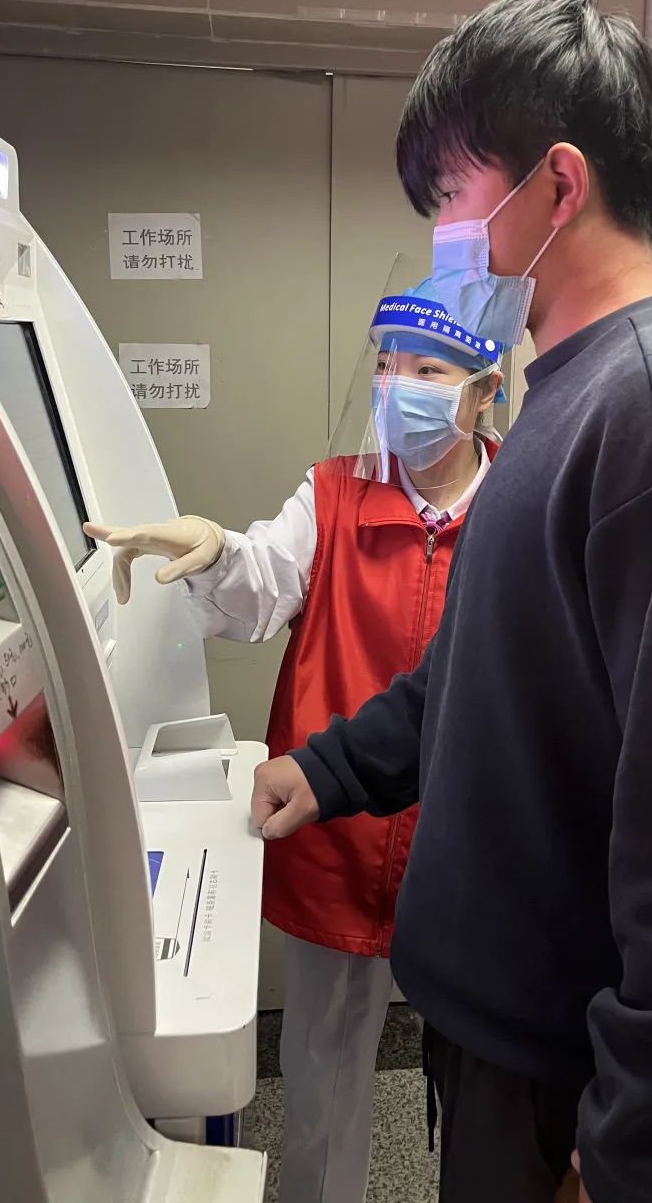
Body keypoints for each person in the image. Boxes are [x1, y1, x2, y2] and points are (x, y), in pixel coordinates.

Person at [250, 0, 652, 1203]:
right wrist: (331, 771)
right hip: (498, 1044)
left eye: (452, 200)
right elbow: (484, 667)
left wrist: (644, 1144)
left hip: (576, 1092)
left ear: (560, 185)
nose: (443, 242)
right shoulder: (562, 397)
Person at [85, 281, 504, 1203]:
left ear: (484, 392)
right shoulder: (335, 495)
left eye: (428, 371)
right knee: (324, 1073)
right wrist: (214, 548)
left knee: (488, 1081)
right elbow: (261, 582)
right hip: (336, 825)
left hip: (473, 848)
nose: (397, 387)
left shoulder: (524, 499)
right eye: (386, 366)